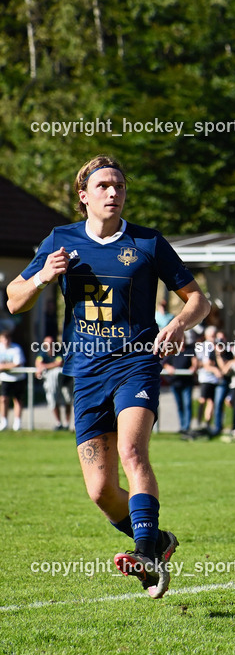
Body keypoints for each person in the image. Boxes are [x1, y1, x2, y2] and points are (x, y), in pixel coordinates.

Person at [5, 155, 210, 598]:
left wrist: (176, 325)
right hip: (86, 372)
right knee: (100, 491)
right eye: (103, 186)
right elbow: (13, 301)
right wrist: (42, 276)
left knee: (133, 452)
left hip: (137, 363)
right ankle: (157, 541)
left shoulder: (148, 242)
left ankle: (144, 554)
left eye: (119, 185)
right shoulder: (60, 240)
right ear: (84, 196)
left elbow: (199, 301)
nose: (113, 192)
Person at [162, 331, 197, 435]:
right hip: (175, 382)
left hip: (187, 382)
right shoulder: (173, 351)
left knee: (187, 404)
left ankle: (187, 427)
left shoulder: (189, 350)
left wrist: (193, 367)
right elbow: (164, 362)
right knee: (180, 405)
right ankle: (182, 426)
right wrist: (168, 367)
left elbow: (195, 361)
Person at [36, 335, 73, 430]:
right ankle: (58, 423)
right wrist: (42, 367)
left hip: (65, 381)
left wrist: (45, 366)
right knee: (53, 400)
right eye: (47, 344)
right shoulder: (42, 353)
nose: (49, 346)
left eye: (51, 343)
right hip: (53, 383)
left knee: (67, 400)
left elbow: (59, 363)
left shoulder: (59, 351)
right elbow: (38, 362)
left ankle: (66, 423)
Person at [0, 331, 27, 430]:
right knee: (3, 399)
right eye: (3, 339)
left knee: (18, 400)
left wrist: (3, 366)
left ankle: (17, 423)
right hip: (5, 378)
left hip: (18, 378)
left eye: (7, 339)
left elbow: (17, 363)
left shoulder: (16, 348)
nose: (6, 341)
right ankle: (3, 421)